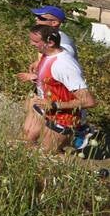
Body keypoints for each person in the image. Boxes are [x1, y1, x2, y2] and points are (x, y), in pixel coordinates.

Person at [20, 24, 97, 154]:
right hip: (44, 106)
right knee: (26, 140)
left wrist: (54, 104)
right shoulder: (47, 54)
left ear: (50, 43)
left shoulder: (64, 65)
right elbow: (54, 80)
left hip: (62, 117)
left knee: (45, 156)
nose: (31, 44)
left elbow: (89, 101)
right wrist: (34, 77)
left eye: (35, 41)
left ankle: (81, 132)